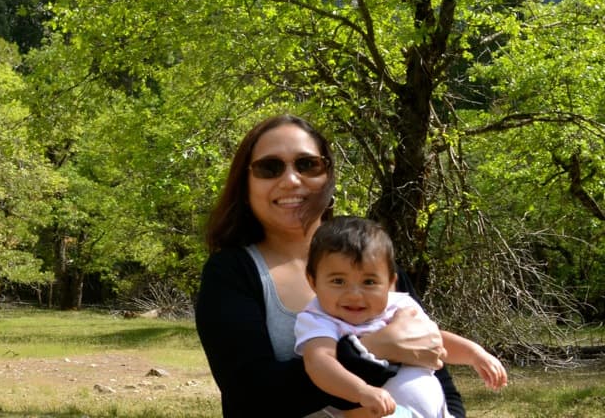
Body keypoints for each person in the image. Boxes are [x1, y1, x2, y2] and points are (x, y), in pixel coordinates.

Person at [195, 113, 466, 418]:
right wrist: (375, 348)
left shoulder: (372, 260)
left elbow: (438, 373)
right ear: (245, 185)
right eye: (269, 168)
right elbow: (252, 397)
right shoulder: (231, 273)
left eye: (307, 164)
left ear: (328, 175)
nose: (291, 180)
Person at [296, 216, 507, 418]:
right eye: (338, 281)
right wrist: (361, 391)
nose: (354, 294)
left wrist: (474, 354)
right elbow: (319, 363)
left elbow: (433, 339)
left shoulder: (398, 305)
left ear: (390, 283)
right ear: (313, 281)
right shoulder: (319, 318)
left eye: (369, 282)